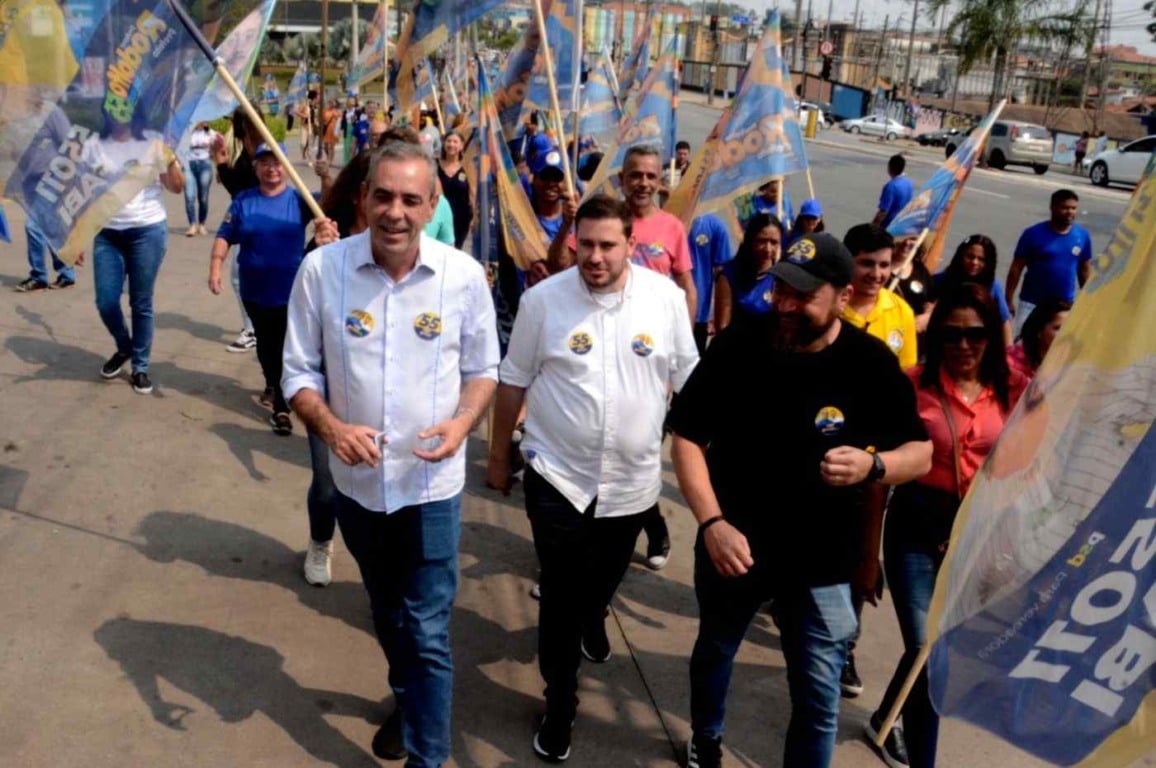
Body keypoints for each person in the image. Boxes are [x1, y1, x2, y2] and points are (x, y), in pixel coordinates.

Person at [668, 232, 932, 768]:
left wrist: (874, 465)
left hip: (821, 563)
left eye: (803, 295)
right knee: (716, 650)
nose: (786, 305)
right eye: (781, 291)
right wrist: (712, 522)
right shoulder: (741, 343)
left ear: (841, 295)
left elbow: (921, 453)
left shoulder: (869, 363)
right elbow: (688, 437)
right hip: (733, 547)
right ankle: (706, 736)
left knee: (817, 696)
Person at [281, 140, 499, 767]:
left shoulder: (461, 278)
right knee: (387, 613)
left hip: (431, 491)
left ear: (433, 205)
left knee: (428, 630)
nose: (395, 212)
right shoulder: (323, 272)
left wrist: (462, 424)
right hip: (357, 489)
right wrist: (330, 428)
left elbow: (485, 368)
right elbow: (298, 372)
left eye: (411, 199)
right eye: (383, 196)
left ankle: (428, 756)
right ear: (362, 199)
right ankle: (407, 698)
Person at [485, 195, 699, 763]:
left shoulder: (666, 301)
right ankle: (561, 704)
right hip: (559, 478)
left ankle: (594, 613)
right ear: (573, 241)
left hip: (631, 487)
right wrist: (498, 455)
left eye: (609, 245)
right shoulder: (542, 302)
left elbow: (690, 380)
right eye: (587, 245)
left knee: (597, 588)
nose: (596, 257)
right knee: (558, 594)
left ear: (633, 244)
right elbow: (512, 380)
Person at [868, 283, 1027, 768]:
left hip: (977, 536)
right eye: (953, 334)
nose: (963, 345)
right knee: (928, 654)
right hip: (915, 527)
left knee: (943, 652)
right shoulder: (913, 385)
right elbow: (880, 473)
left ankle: (883, 719)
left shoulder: (1016, 388)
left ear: (991, 338)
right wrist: (865, 554)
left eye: (975, 333)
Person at [548, 144, 697, 570]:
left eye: (651, 176)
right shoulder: (598, 221)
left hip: (647, 361)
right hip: (593, 348)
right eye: (635, 175)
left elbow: (686, 287)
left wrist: (677, 350)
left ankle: (651, 529)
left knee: (638, 451)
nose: (643, 183)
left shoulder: (671, 228)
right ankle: (580, 553)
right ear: (622, 178)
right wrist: (566, 227)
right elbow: (560, 264)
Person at [208, 143, 339, 435]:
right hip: (254, 290)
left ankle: (282, 406)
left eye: (278, 163)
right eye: (265, 163)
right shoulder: (244, 201)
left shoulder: (299, 199)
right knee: (266, 345)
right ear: (256, 168)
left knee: (282, 345)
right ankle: (272, 380)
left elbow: (328, 204)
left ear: (287, 168)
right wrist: (215, 267)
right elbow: (224, 235)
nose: (272, 169)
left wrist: (325, 176)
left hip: (291, 289)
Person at [85, 108, 185, 395]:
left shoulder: (154, 142)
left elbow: (176, 187)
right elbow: (87, 190)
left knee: (141, 302)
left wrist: (171, 160)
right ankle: (124, 346)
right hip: (107, 232)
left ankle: (140, 366)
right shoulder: (95, 145)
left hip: (147, 230)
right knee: (105, 300)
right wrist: (78, 235)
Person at [1005, 189, 1092, 337]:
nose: (1070, 212)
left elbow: (1084, 270)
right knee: (1023, 346)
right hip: (1031, 304)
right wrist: (1008, 299)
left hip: (1063, 307)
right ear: (1053, 207)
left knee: (1054, 352)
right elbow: (1016, 268)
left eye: (1073, 208)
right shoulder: (1032, 234)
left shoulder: (1082, 236)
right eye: (1065, 208)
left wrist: (1088, 301)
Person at [213, 107, 263, 354]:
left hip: (253, 221)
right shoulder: (257, 148)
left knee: (239, 274)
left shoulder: (254, 154)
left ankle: (252, 329)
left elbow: (238, 190)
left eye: (234, 123)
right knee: (244, 273)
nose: (231, 128)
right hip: (258, 219)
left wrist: (221, 164)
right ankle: (255, 326)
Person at [842, 224, 918, 371]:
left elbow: (907, 372)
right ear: (846, 260)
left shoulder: (902, 311)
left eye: (884, 265)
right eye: (867, 264)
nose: (876, 274)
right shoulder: (828, 305)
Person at [935, 234, 1013, 345]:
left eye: (981, 259)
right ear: (961, 256)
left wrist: (1009, 354)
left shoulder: (993, 286)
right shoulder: (941, 280)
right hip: (946, 338)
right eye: (970, 257)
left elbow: (1005, 321)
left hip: (978, 341)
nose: (974, 262)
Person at [715, 213, 783, 332]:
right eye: (762, 241)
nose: (768, 249)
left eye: (774, 242)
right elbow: (722, 327)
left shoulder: (781, 276)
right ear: (750, 240)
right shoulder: (729, 276)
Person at [688, 212, 734, 354]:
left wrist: (717, 314)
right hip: (661, 314)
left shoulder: (714, 225)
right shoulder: (656, 223)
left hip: (698, 314)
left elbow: (723, 273)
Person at [1008, 299, 1071, 379]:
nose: (1065, 334)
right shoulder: (1012, 364)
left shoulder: (1071, 363)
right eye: (1058, 328)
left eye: (1069, 327)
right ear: (1039, 331)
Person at [437, 131, 474, 249]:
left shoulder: (468, 167)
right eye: (448, 141)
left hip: (461, 218)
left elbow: (473, 193)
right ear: (443, 143)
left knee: (455, 251)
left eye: (455, 142)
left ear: (461, 146)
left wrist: (475, 217)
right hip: (438, 215)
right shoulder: (434, 164)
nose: (451, 144)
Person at [184, 122, 218, 237]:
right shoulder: (187, 132)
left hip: (205, 164)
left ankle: (202, 224)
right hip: (189, 164)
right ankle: (192, 225)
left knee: (203, 197)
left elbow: (218, 147)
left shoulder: (210, 133)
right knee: (189, 196)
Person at [872, 154, 914, 228]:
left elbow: (883, 212)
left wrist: (872, 227)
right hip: (900, 223)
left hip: (888, 226)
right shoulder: (909, 183)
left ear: (889, 167)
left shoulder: (891, 186)